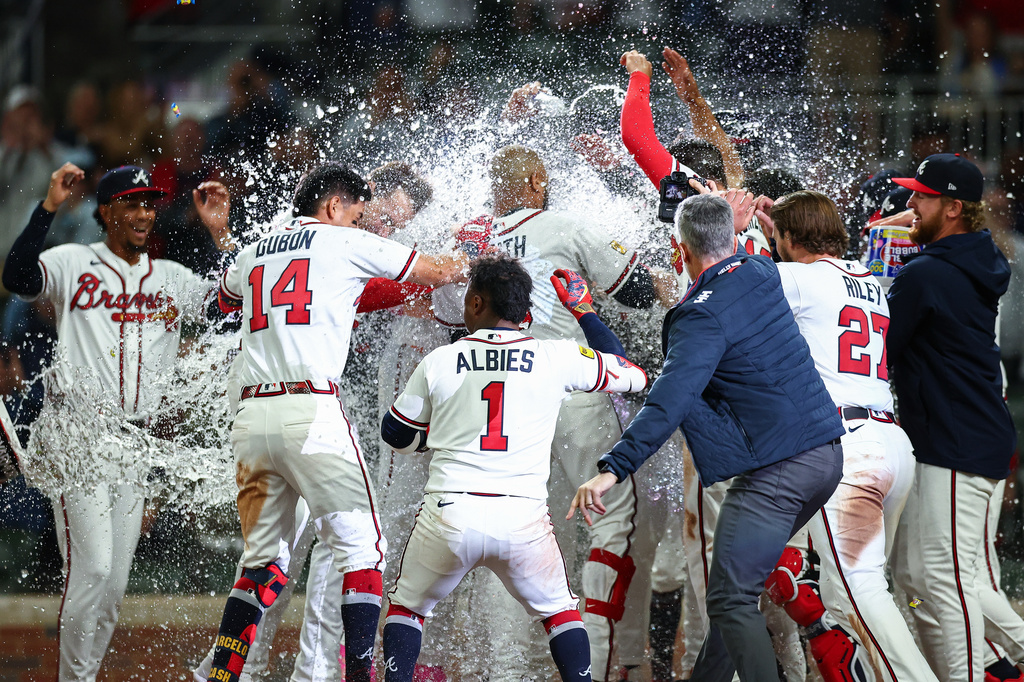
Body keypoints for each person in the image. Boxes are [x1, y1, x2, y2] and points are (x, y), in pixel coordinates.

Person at [206, 162, 468, 682]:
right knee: (365, 551)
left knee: (262, 564)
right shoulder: (343, 241)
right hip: (311, 411)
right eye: (357, 212)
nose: (362, 221)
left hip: (252, 419)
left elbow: (222, 304)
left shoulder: (257, 246)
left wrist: (225, 240)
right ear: (333, 207)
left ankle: (222, 677)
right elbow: (440, 272)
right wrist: (473, 245)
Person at [571, 193, 844, 681]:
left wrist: (612, 469)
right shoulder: (761, 273)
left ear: (680, 250)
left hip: (778, 470)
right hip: (825, 456)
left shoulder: (697, 315)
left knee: (728, 598)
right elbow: (732, 264)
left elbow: (668, 401)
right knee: (736, 593)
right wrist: (735, 230)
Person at [1, 162, 233, 682]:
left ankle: (84, 674)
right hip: (77, 436)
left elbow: (238, 307)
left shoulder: (173, 278)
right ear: (107, 211)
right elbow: (16, 277)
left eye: (150, 203)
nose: (144, 212)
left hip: (136, 444)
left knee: (114, 585)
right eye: (132, 202)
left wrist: (220, 234)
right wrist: (49, 207)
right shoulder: (74, 262)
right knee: (94, 569)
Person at [379, 255, 648, 682]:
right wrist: (584, 313)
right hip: (523, 518)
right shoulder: (555, 355)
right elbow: (632, 373)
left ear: (476, 303)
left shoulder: (441, 359)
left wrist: (446, 433)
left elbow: (395, 434)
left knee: (407, 610)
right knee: (560, 614)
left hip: (450, 513)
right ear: (526, 313)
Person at [485, 143, 674, 681]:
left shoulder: (480, 240)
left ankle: (512, 667)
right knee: (620, 517)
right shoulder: (564, 224)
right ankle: (611, 655)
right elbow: (636, 288)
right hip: (571, 393)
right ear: (537, 183)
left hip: (505, 405)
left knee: (529, 538)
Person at [763, 189, 938, 682]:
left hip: (849, 448)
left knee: (860, 592)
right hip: (889, 441)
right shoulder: (868, 277)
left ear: (789, 237)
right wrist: (779, 223)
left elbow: (726, 280)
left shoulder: (796, 275)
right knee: (847, 596)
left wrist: (748, 229)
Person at [885, 153, 1021, 682]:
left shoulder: (931, 272)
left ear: (954, 208)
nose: (910, 204)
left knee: (943, 577)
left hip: (956, 438)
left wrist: (886, 238)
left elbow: (884, 344)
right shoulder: (971, 254)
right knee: (916, 575)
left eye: (921, 196)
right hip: (960, 432)